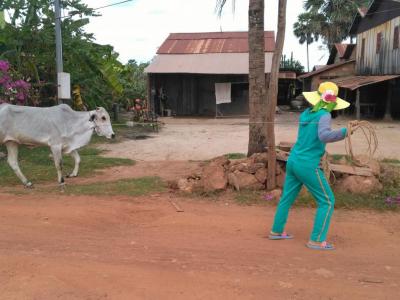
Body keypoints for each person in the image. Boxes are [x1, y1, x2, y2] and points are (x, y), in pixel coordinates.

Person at [269, 82, 350, 250]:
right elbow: (324, 136)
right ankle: (317, 240)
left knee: (286, 198)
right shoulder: (324, 115)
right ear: (332, 102)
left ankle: (276, 231)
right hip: (307, 164)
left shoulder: (306, 113)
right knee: (327, 201)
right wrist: (345, 132)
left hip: (293, 161)